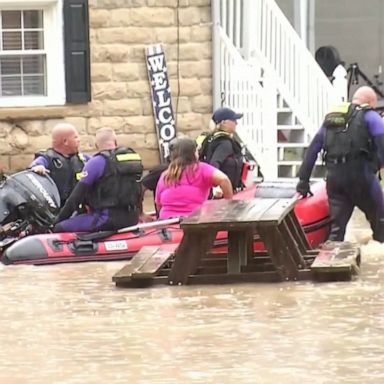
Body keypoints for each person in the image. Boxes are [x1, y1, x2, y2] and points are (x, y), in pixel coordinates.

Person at [296, 86, 384, 242]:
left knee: (336, 231)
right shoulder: (370, 116)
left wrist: (303, 180)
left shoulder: (332, 119)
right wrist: (376, 166)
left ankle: (330, 263)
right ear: (370, 102)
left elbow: (313, 149)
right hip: (362, 179)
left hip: (335, 179)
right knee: (381, 223)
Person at [54, 127, 143, 233]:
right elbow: (139, 191)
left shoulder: (96, 162)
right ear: (115, 142)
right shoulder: (132, 160)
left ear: (97, 145)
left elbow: (75, 198)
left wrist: (58, 221)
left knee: (60, 227)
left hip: (107, 219)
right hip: (132, 218)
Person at [155, 137, 233, 220]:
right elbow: (224, 179)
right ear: (193, 153)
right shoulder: (201, 169)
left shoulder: (166, 175)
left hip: (167, 221)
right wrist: (228, 207)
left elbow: (158, 203)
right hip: (193, 220)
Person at [29, 123, 89, 206]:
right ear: (65, 141)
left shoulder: (83, 159)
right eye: (75, 137)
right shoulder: (47, 158)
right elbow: (35, 165)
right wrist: (38, 168)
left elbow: (98, 164)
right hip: (56, 207)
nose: (79, 140)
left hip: (78, 206)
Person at [199, 107, 245, 192]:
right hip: (222, 193)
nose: (236, 123)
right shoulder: (225, 143)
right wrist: (216, 187)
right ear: (223, 122)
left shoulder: (210, 138)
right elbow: (214, 163)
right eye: (233, 120)